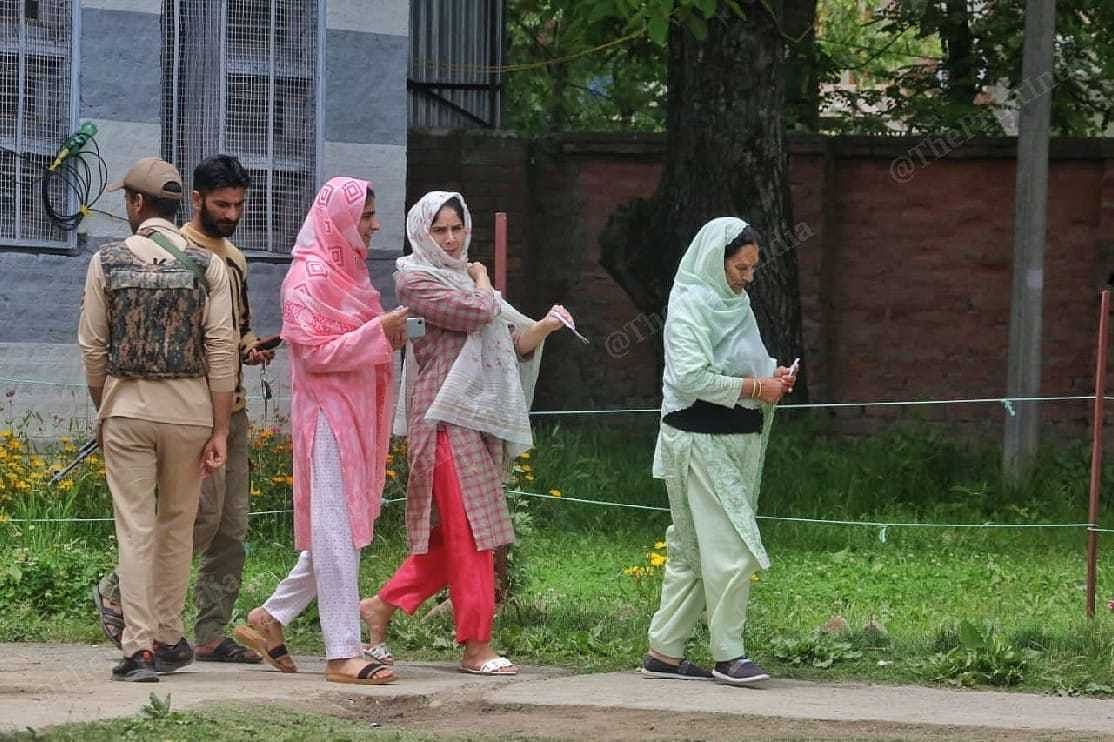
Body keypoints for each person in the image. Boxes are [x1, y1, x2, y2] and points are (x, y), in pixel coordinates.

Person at [359, 191, 574, 676]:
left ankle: (383, 604)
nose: (452, 239)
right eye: (441, 230)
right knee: (476, 535)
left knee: (474, 534)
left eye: (457, 228)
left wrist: (543, 327)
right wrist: (483, 279)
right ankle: (477, 645)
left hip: (476, 420)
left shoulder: (460, 281)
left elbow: (510, 341)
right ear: (421, 233)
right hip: (442, 420)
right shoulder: (415, 280)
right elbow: (478, 313)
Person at [93, 155, 270, 664]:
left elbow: (232, 332)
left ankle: (207, 632)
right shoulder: (175, 252)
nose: (232, 214)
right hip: (191, 407)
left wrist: (252, 347)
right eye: (222, 204)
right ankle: (136, 609)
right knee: (192, 519)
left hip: (225, 404)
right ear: (193, 200)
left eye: (238, 204)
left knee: (231, 525)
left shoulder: (231, 258)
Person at [233, 177, 407, 685]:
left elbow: (359, 340)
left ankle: (270, 618)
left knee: (343, 531)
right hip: (328, 419)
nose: (374, 226)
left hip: (357, 415)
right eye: (367, 216)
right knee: (335, 531)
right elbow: (313, 354)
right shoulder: (307, 279)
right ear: (339, 219)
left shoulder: (350, 274)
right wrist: (379, 332)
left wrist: (385, 333)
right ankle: (341, 652)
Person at [639, 217, 795, 687]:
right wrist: (755, 385)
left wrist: (775, 376)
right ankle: (729, 655)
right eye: (740, 268)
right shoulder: (689, 304)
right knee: (730, 545)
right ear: (716, 260)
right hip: (698, 440)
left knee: (690, 549)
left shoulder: (736, 302)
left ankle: (664, 653)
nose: (747, 278)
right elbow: (690, 378)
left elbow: (745, 360)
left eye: (752, 269)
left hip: (736, 438)